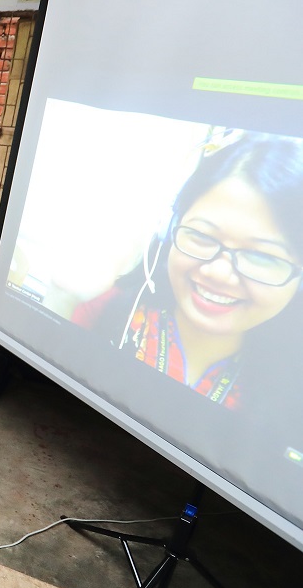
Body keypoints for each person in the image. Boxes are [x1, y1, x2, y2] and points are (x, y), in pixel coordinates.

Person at [74, 134, 303, 408]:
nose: (218, 273)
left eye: (261, 256)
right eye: (202, 236)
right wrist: (62, 298)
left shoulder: (292, 392)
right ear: (171, 230)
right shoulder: (102, 307)